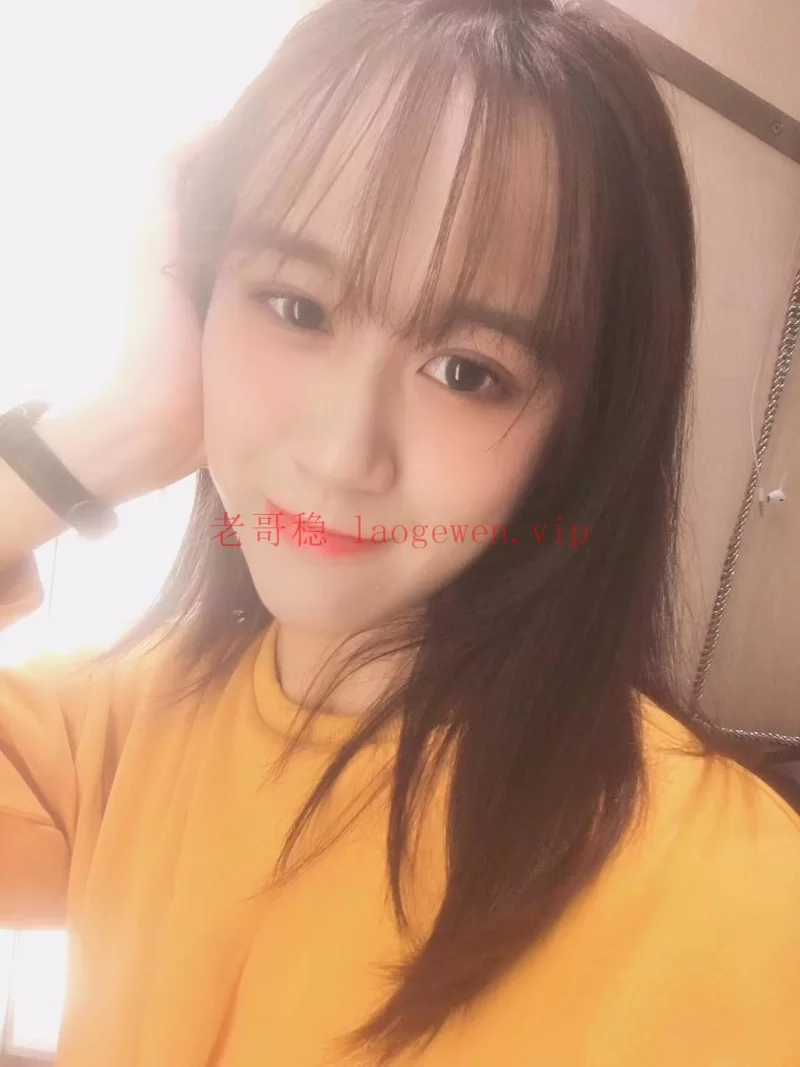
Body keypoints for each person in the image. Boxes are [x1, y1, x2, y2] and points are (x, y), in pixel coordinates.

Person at [1, 1, 799, 1064]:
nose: (343, 454)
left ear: (582, 428)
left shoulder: (736, 909)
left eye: (466, 371)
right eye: (296, 306)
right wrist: (108, 433)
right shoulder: (106, 730)